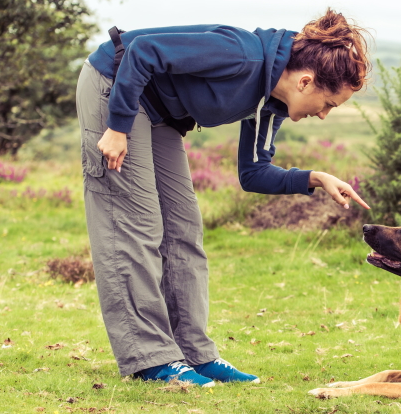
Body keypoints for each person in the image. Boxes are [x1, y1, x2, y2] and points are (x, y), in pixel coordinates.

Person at [75, 9, 371, 386]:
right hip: (117, 86)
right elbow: (144, 51)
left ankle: (194, 354)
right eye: (329, 103)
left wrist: (314, 178)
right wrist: (117, 126)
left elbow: (253, 173)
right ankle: (149, 358)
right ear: (306, 82)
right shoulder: (240, 53)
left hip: (161, 114)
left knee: (183, 229)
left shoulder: (270, 105)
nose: (325, 115)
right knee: (136, 225)